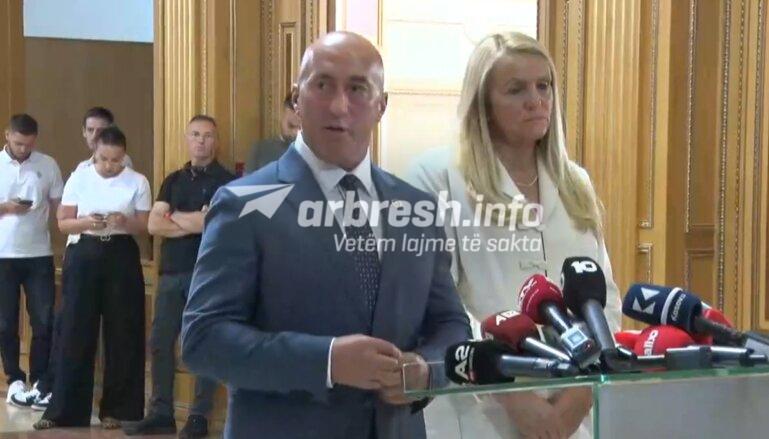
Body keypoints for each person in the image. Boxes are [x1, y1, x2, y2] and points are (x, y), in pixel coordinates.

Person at [181, 31, 471, 439]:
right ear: (297, 99)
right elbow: (203, 339)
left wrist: (426, 370)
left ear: (381, 105)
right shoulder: (244, 203)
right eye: (322, 85)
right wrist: (327, 361)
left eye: (358, 89)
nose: (339, 105)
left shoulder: (416, 209)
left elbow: (451, 324)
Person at [406, 32, 622, 439]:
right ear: (483, 105)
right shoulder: (436, 178)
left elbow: (603, 299)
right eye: (516, 89)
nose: (536, 100)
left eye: (544, 86)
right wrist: (513, 395)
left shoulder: (575, 182)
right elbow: (437, 306)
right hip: (479, 409)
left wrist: (578, 397)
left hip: (572, 409)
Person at [123, 115, 234, 438]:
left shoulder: (227, 182)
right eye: (195, 134)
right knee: (160, 342)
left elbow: (213, 224)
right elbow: (154, 225)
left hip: (209, 274)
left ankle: (199, 416)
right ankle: (161, 412)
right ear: (187, 138)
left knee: (203, 343)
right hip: (171, 272)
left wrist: (175, 216)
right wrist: (195, 219)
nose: (201, 141)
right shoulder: (173, 180)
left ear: (216, 141)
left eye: (208, 135)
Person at [35, 126, 151, 430]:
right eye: (103, 159)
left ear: (124, 156)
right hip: (85, 252)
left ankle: (118, 409)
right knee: (75, 329)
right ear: (94, 154)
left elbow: (144, 225)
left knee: (123, 331)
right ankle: (66, 410)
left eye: (115, 160)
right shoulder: (80, 177)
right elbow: (63, 223)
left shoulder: (137, 181)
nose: (109, 165)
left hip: (121, 253)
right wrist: (87, 221)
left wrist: (124, 221)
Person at [0, 114, 63, 409]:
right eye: (18, 143)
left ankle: (40, 380)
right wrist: (6, 208)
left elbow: (60, 207)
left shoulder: (47, 165)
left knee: (44, 320)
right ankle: (14, 377)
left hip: (39, 254)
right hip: (3, 255)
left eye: (28, 144)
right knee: (5, 322)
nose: (23, 149)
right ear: (7, 135)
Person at [245, 93, 301, 173]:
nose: (295, 132)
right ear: (281, 115)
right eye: (291, 126)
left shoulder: (315, 154)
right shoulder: (259, 150)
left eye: (300, 128)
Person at [74, 106, 133, 172]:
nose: (94, 136)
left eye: (100, 131)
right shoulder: (82, 167)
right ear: (84, 132)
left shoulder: (121, 160)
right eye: (90, 130)